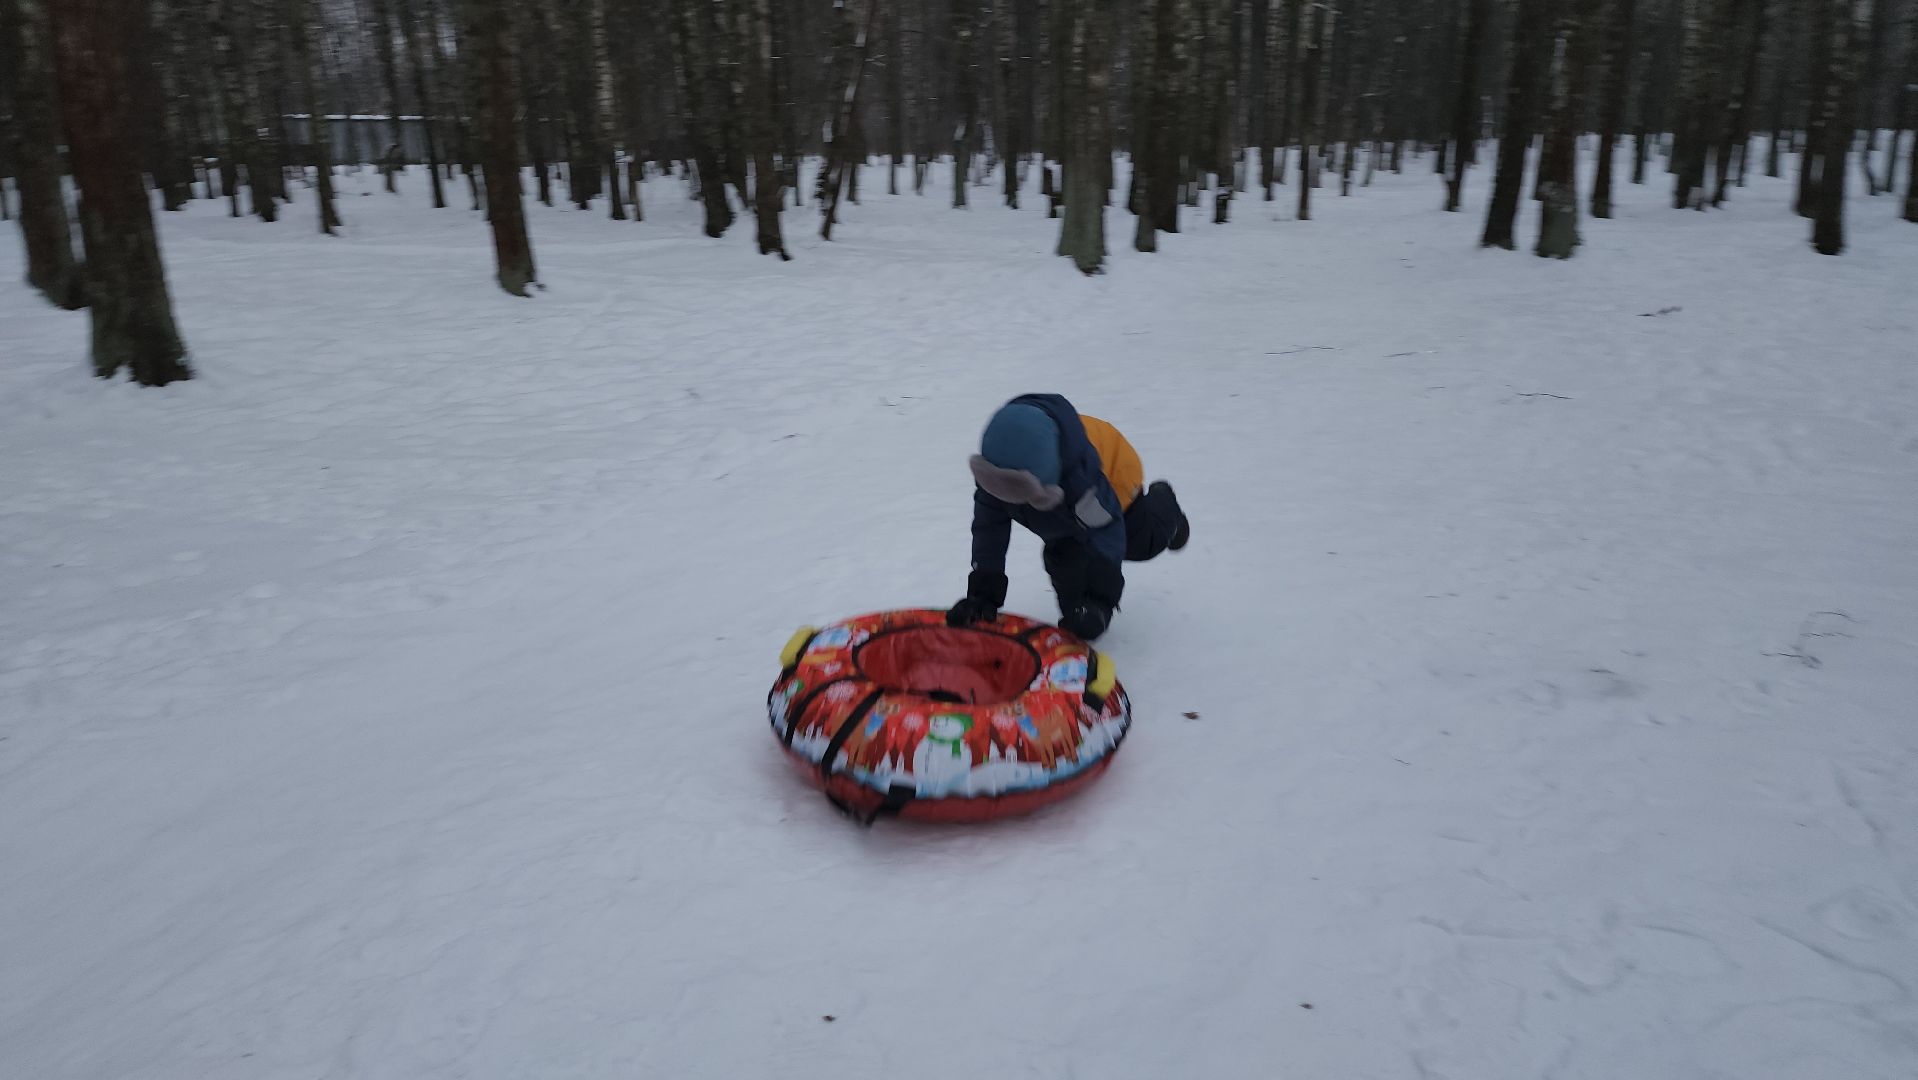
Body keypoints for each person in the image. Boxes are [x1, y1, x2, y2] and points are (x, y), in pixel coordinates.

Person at [946, 394, 1189, 641]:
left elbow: (1108, 531)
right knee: (1067, 564)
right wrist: (982, 596)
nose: (1007, 501)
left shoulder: (1081, 484)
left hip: (1114, 476)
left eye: (1021, 495)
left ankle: (1164, 503)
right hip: (1054, 494)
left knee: (1138, 543)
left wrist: (1100, 601)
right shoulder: (995, 472)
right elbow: (989, 531)